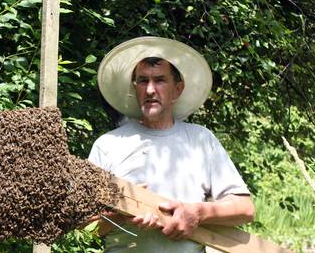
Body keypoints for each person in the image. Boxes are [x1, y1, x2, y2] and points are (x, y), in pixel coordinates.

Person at [87, 36, 254, 253]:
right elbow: (86, 226)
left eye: (160, 80)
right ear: (134, 86)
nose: (149, 90)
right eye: (143, 80)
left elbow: (245, 209)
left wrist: (197, 213)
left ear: (178, 88)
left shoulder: (201, 140)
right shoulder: (108, 145)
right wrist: (122, 214)